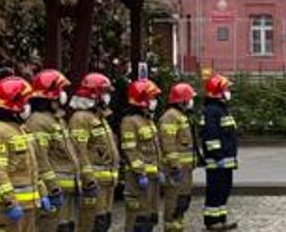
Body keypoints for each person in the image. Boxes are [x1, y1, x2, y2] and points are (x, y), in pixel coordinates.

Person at [0, 76, 46, 232]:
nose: (28, 106)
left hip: (28, 207)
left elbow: (31, 167)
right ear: (14, 103)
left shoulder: (20, 129)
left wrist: (42, 192)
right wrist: (11, 202)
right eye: (26, 102)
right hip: (9, 210)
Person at [25, 70, 80, 232]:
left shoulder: (56, 119)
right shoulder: (38, 122)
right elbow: (40, 159)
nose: (63, 95)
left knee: (67, 227)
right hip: (53, 190)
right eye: (60, 90)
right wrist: (52, 187)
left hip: (66, 189)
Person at [67, 73, 119, 232]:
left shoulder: (99, 118)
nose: (108, 96)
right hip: (94, 183)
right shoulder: (81, 118)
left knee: (103, 222)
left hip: (106, 182)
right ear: (94, 95)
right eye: (105, 92)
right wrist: (88, 180)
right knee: (91, 224)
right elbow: (79, 151)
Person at [120, 79, 164, 232]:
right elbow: (130, 150)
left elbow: (155, 148)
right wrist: (140, 173)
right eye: (152, 98)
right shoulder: (130, 121)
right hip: (137, 179)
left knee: (150, 216)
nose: (155, 101)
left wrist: (160, 169)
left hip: (152, 178)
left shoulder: (148, 120)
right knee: (137, 216)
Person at [200, 74, 238, 232]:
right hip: (217, 161)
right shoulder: (211, 111)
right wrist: (217, 156)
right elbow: (211, 136)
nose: (229, 91)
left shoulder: (221, 109)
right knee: (215, 191)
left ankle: (221, 219)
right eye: (226, 88)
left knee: (224, 189)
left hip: (225, 160)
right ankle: (212, 221)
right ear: (218, 91)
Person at [159, 84, 197, 232]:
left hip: (185, 169)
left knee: (183, 198)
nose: (191, 101)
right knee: (174, 198)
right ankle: (171, 225)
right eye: (189, 98)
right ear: (182, 100)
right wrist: (174, 165)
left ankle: (178, 223)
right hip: (176, 168)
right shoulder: (170, 117)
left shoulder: (180, 116)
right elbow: (168, 143)